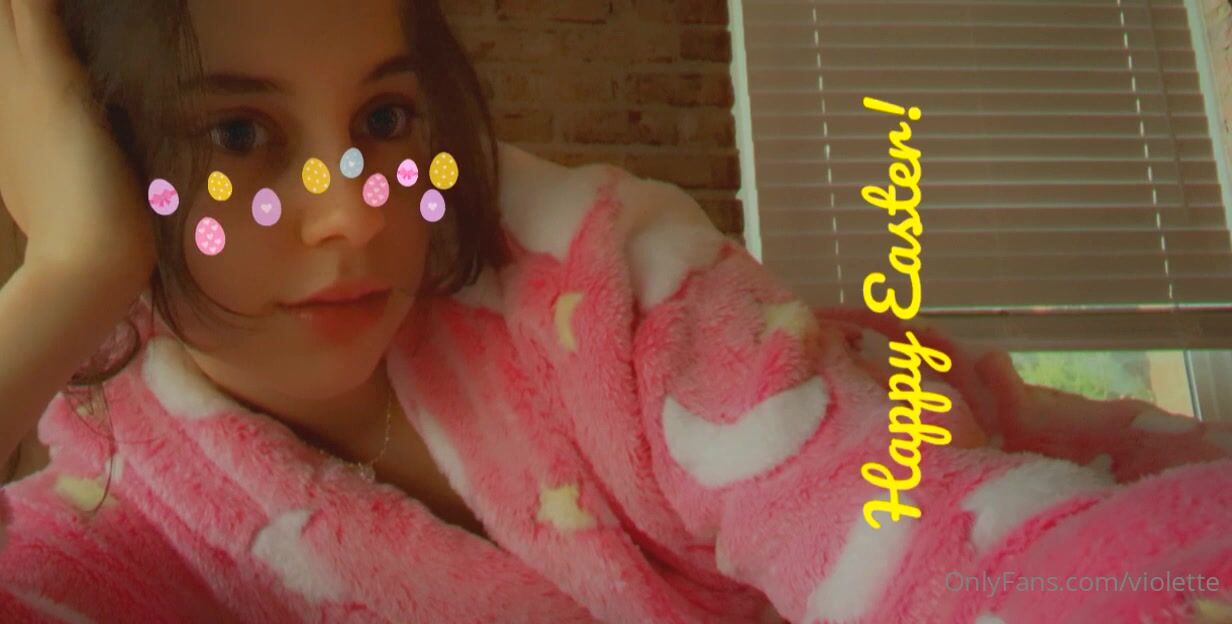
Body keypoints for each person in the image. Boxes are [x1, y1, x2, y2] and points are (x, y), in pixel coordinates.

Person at [1, 1, 1230, 622]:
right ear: (95, 163)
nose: (354, 213)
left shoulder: (614, 293)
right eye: (235, 135)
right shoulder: (116, 516)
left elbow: (934, 556)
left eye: (383, 119)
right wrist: (66, 279)